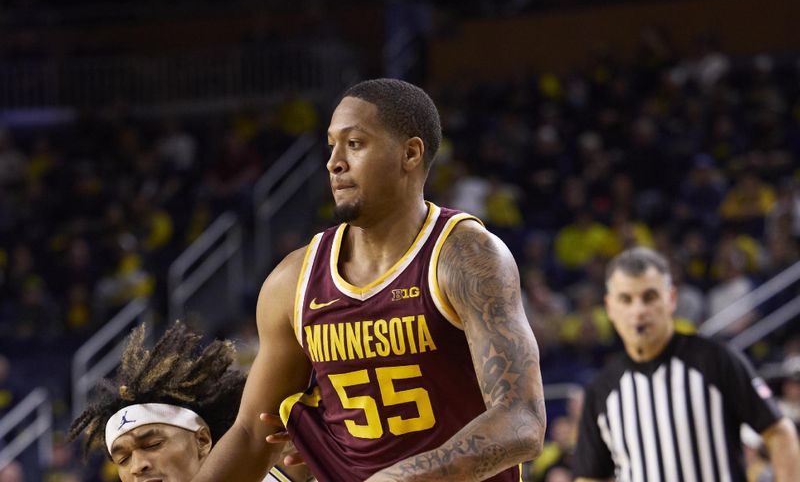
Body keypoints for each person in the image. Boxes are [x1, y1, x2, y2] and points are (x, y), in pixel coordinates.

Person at [191, 78, 546, 481]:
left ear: (410, 154)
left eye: (354, 144)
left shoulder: (465, 257)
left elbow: (522, 421)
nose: (334, 163)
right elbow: (252, 433)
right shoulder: (294, 280)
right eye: (331, 146)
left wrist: (402, 477)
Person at [573, 246, 800, 482]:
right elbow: (589, 477)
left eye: (649, 297)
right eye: (626, 299)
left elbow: (780, 433)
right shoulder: (601, 390)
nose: (638, 311)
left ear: (671, 299)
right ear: (610, 307)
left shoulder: (715, 360)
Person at [68, 321, 310, 482]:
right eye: (122, 459)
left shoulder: (282, 469)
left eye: (152, 444)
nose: (137, 467)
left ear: (202, 440)